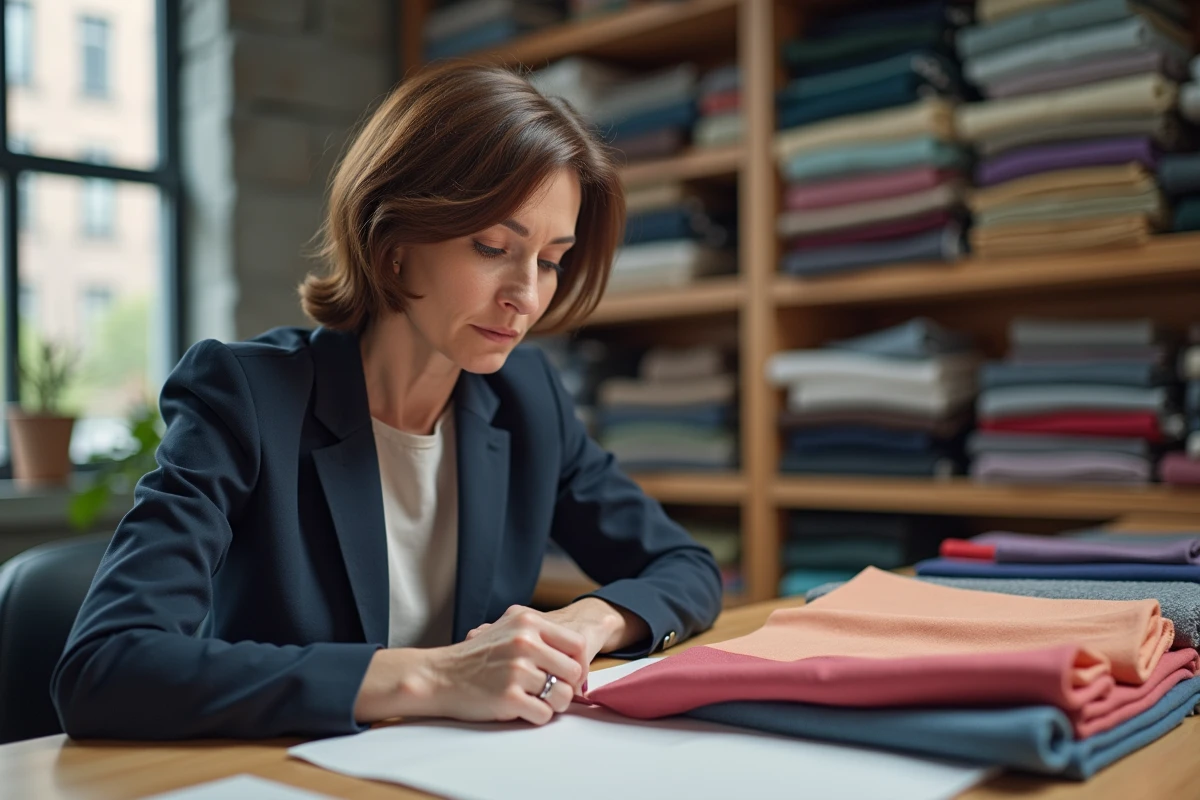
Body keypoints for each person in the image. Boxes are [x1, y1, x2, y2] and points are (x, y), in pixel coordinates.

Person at [50, 62, 723, 740]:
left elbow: (686, 567)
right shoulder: (247, 397)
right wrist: (434, 676)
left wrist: (585, 621)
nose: (526, 294)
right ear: (394, 245)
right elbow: (104, 667)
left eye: (550, 260)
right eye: (493, 246)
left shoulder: (528, 400)